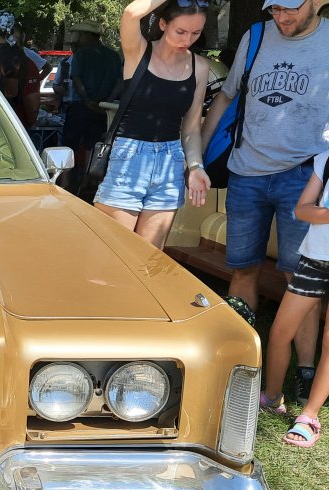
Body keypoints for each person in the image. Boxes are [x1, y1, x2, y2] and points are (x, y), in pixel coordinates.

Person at [201, 0, 329, 401]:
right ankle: (242, 365)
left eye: (290, 9)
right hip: (247, 172)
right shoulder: (254, 37)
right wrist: (198, 158)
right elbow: (226, 96)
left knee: (300, 279)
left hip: (304, 177)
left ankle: (304, 373)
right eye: (274, 9)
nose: (281, 17)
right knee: (241, 270)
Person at [92, 0, 211, 248]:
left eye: (196, 33)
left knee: (149, 262)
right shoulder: (138, 51)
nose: (187, 39)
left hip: (170, 162)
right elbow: (131, 13)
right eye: (181, 31)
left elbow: (190, 128)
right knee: (115, 255)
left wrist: (196, 166)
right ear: (163, 24)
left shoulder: (199, 67)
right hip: (128, 159)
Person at [260, 150, 329, 445]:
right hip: (314, 259)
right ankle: (273, 397)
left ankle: (309, 416)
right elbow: (302, 209)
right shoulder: (325, 158)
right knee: (279, 332)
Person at [60, 22, 122, 194]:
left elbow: (77, 80)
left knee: (69, 143)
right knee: (93, 144)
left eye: (80, 35)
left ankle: (66, 181)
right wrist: (107, 101)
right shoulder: (113, 56)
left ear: (87, 36)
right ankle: (88, 179)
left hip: (81, 105)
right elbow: (119, 82)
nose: (78, 38)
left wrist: (87, 100)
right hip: (104, 108)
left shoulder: (81, 55)